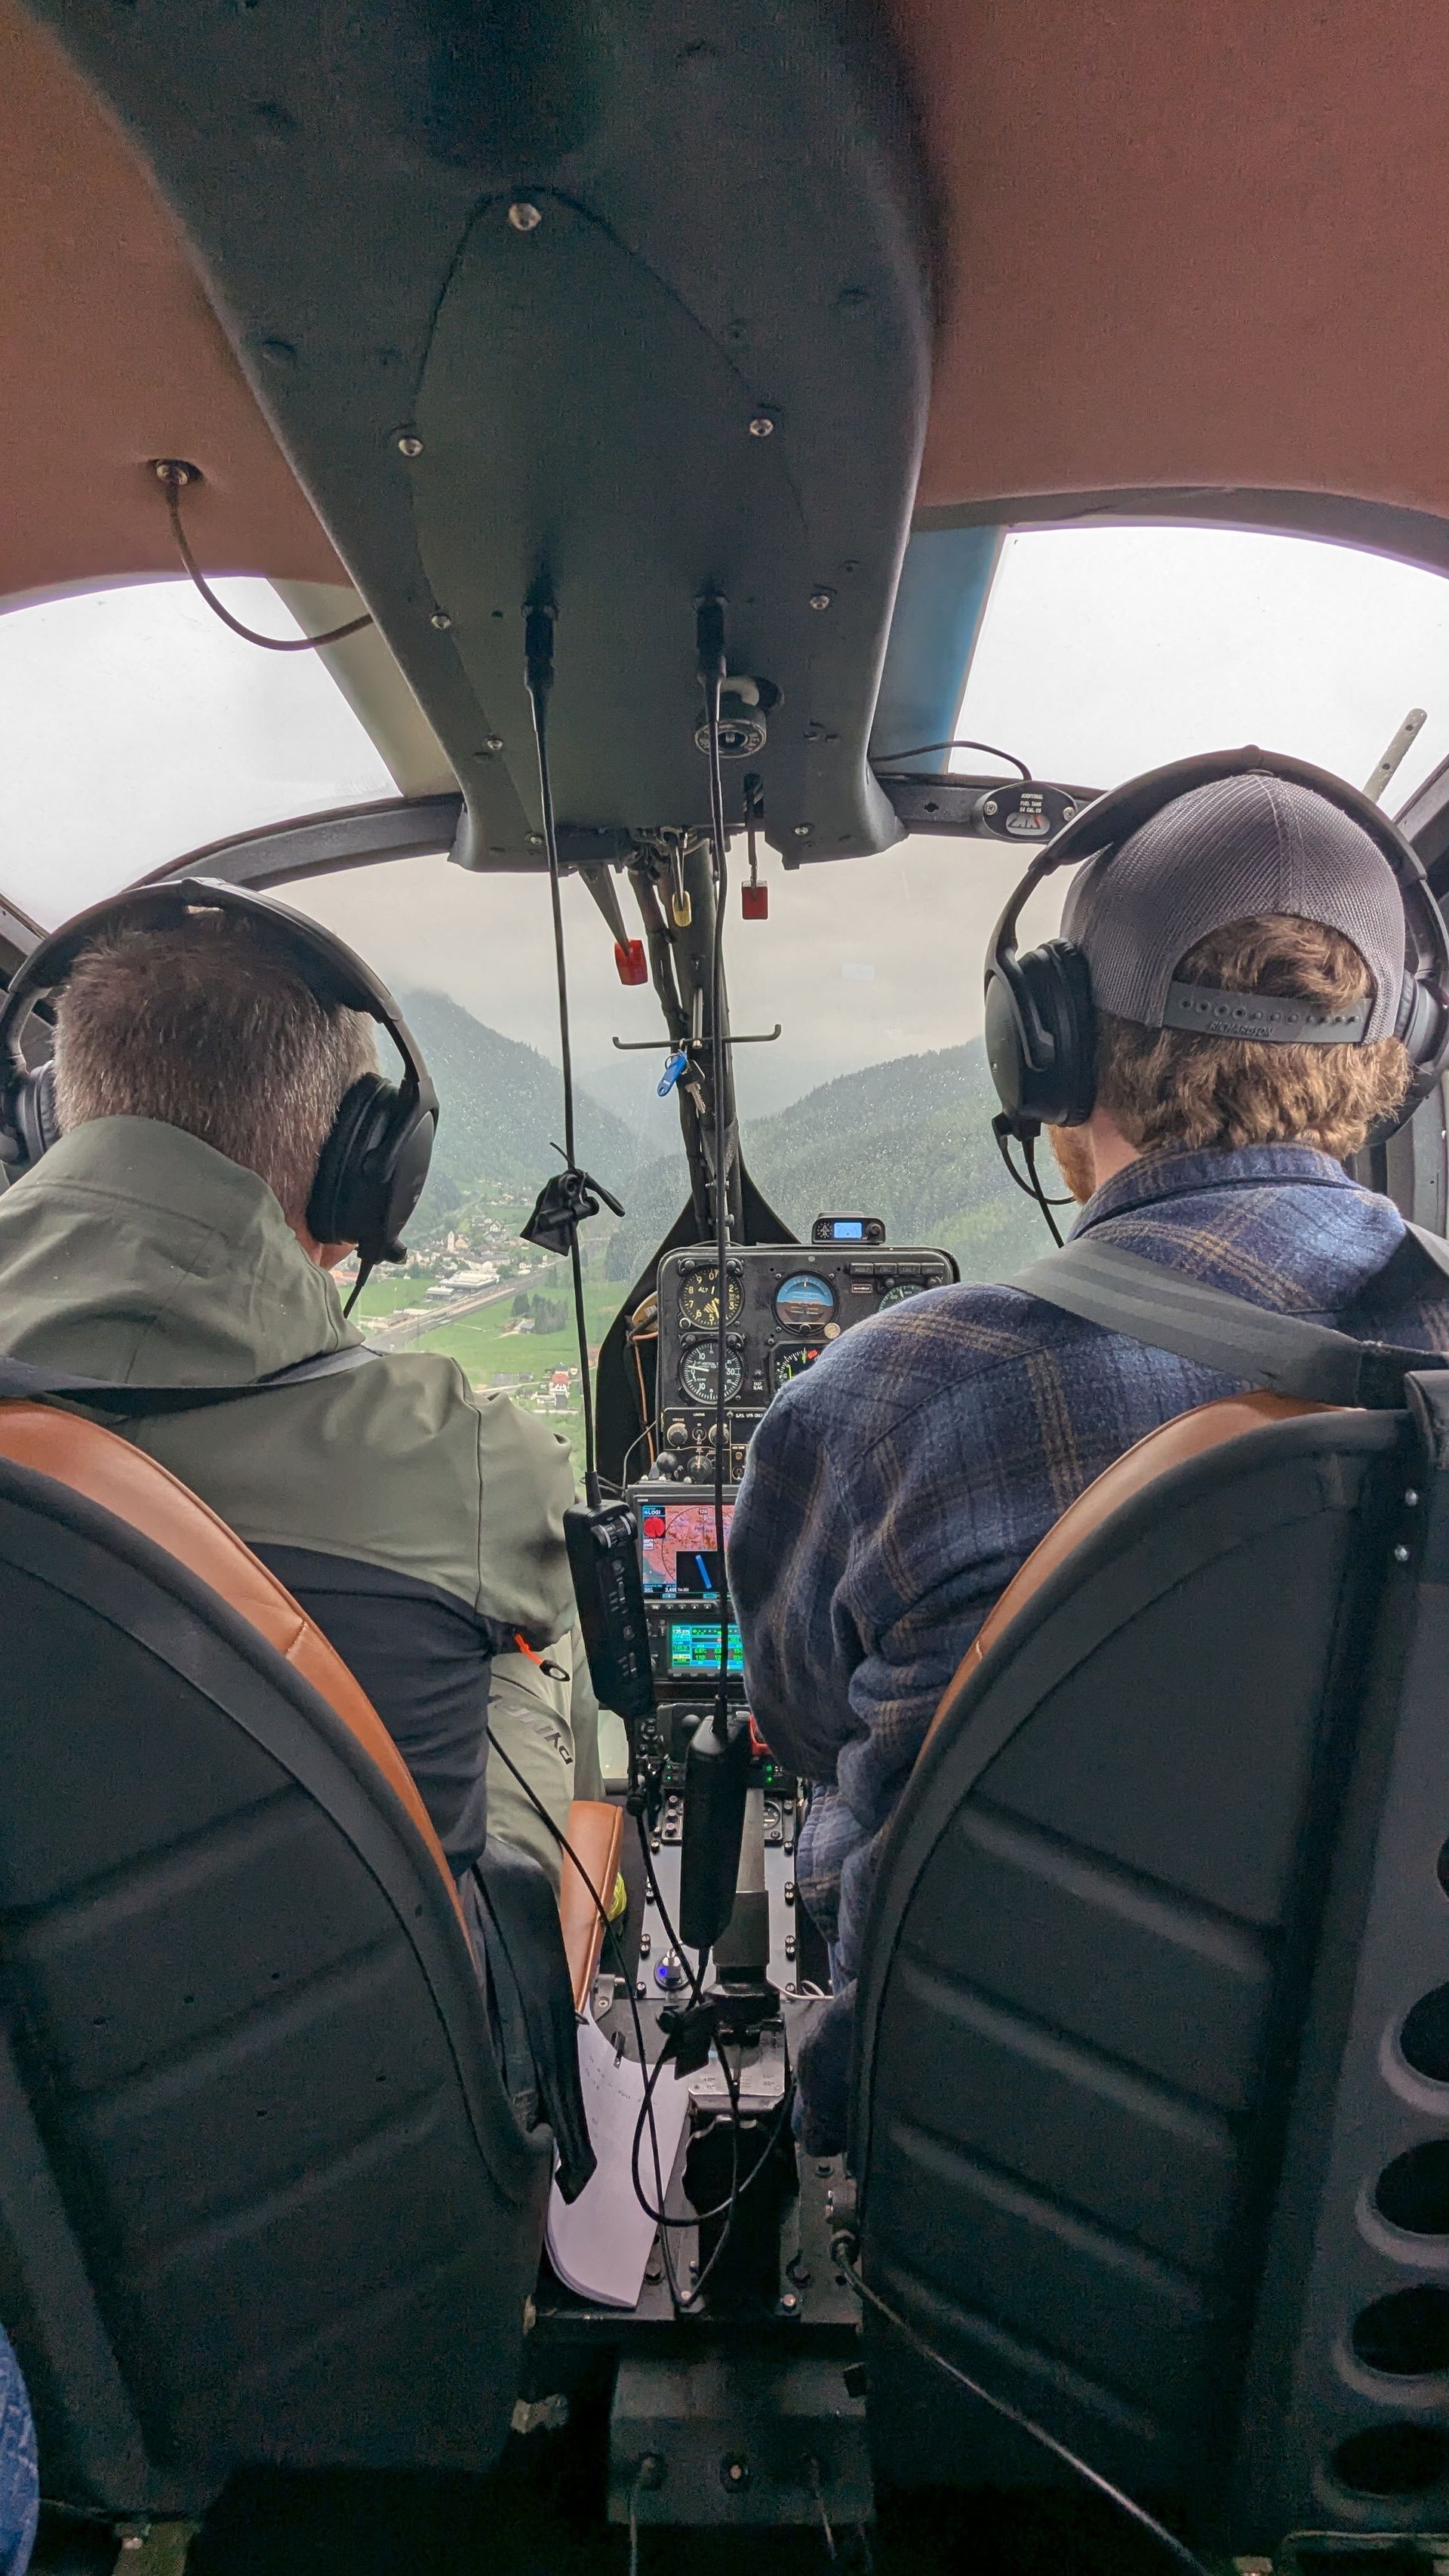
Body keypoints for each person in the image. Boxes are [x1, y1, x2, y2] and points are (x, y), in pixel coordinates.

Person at [728, 768, 1449, 2153]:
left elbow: (803, 1724)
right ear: (1395, 1052)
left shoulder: (887, 1404)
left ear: (1046, 1053)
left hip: (991, 2217)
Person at [0, 901, 598, 1900]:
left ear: (40, 1124)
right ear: (361, 1177)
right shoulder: (471, 1459)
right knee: (538, 1661)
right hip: (355, 2040)